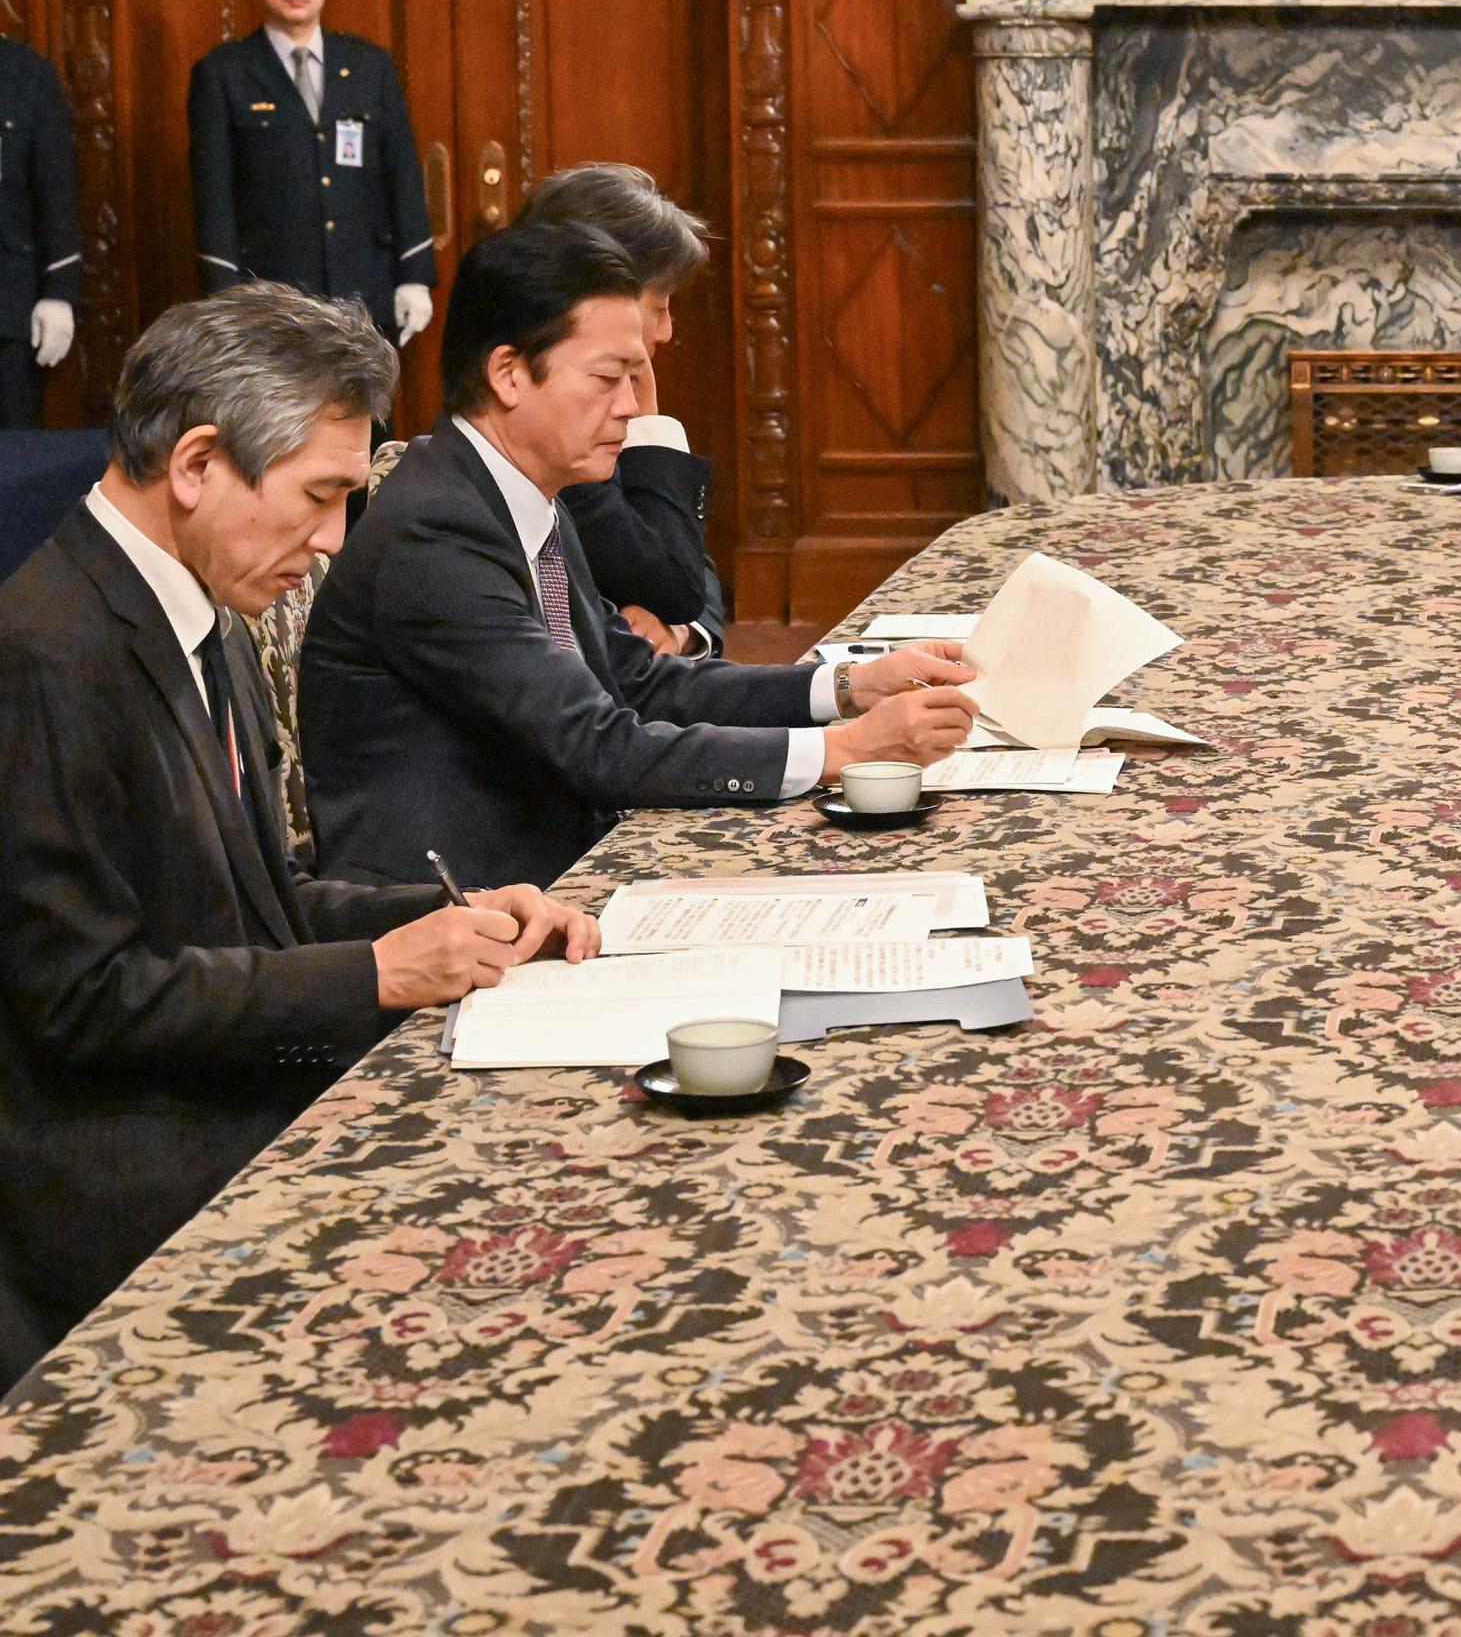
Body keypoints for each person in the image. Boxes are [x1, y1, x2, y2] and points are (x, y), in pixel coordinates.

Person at [0, 286, 597, 1386]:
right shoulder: (45, 658)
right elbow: (83, 1001)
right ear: (196, 464)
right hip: (123, 1172)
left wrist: (447, 916)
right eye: (319, 496)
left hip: (212, 1092)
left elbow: (257, 907)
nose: (329, 543)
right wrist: (372, 974)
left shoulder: (201, 614)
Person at [300, 221, 981, 890]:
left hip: (553, 866)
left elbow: (639, 683)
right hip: (458, 912)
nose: (631, 407)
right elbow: (598, 746)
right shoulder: (437, 532)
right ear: (508, 373)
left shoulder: (520, 493)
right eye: (608, 378)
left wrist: (848, 688)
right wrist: (846, 751)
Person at [186, 0, 435, 348]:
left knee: (368, 417)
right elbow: (214, 197)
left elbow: (402, 173)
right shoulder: (224, 73)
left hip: (363, 296)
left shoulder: (368, 66)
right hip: (270, 301)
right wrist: (224, 299)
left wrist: (415, 275)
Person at [517, 163, 725, 654]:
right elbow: (675, 583)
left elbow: (688, 561)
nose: (667, 331)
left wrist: (683, 633)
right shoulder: (550, 423)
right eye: (660, 305)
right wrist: (649, 423)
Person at [0, 32, 81, 428]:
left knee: (11, 462)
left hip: (7, 309)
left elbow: (56, 189)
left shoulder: (25, 72)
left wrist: (59, 292)